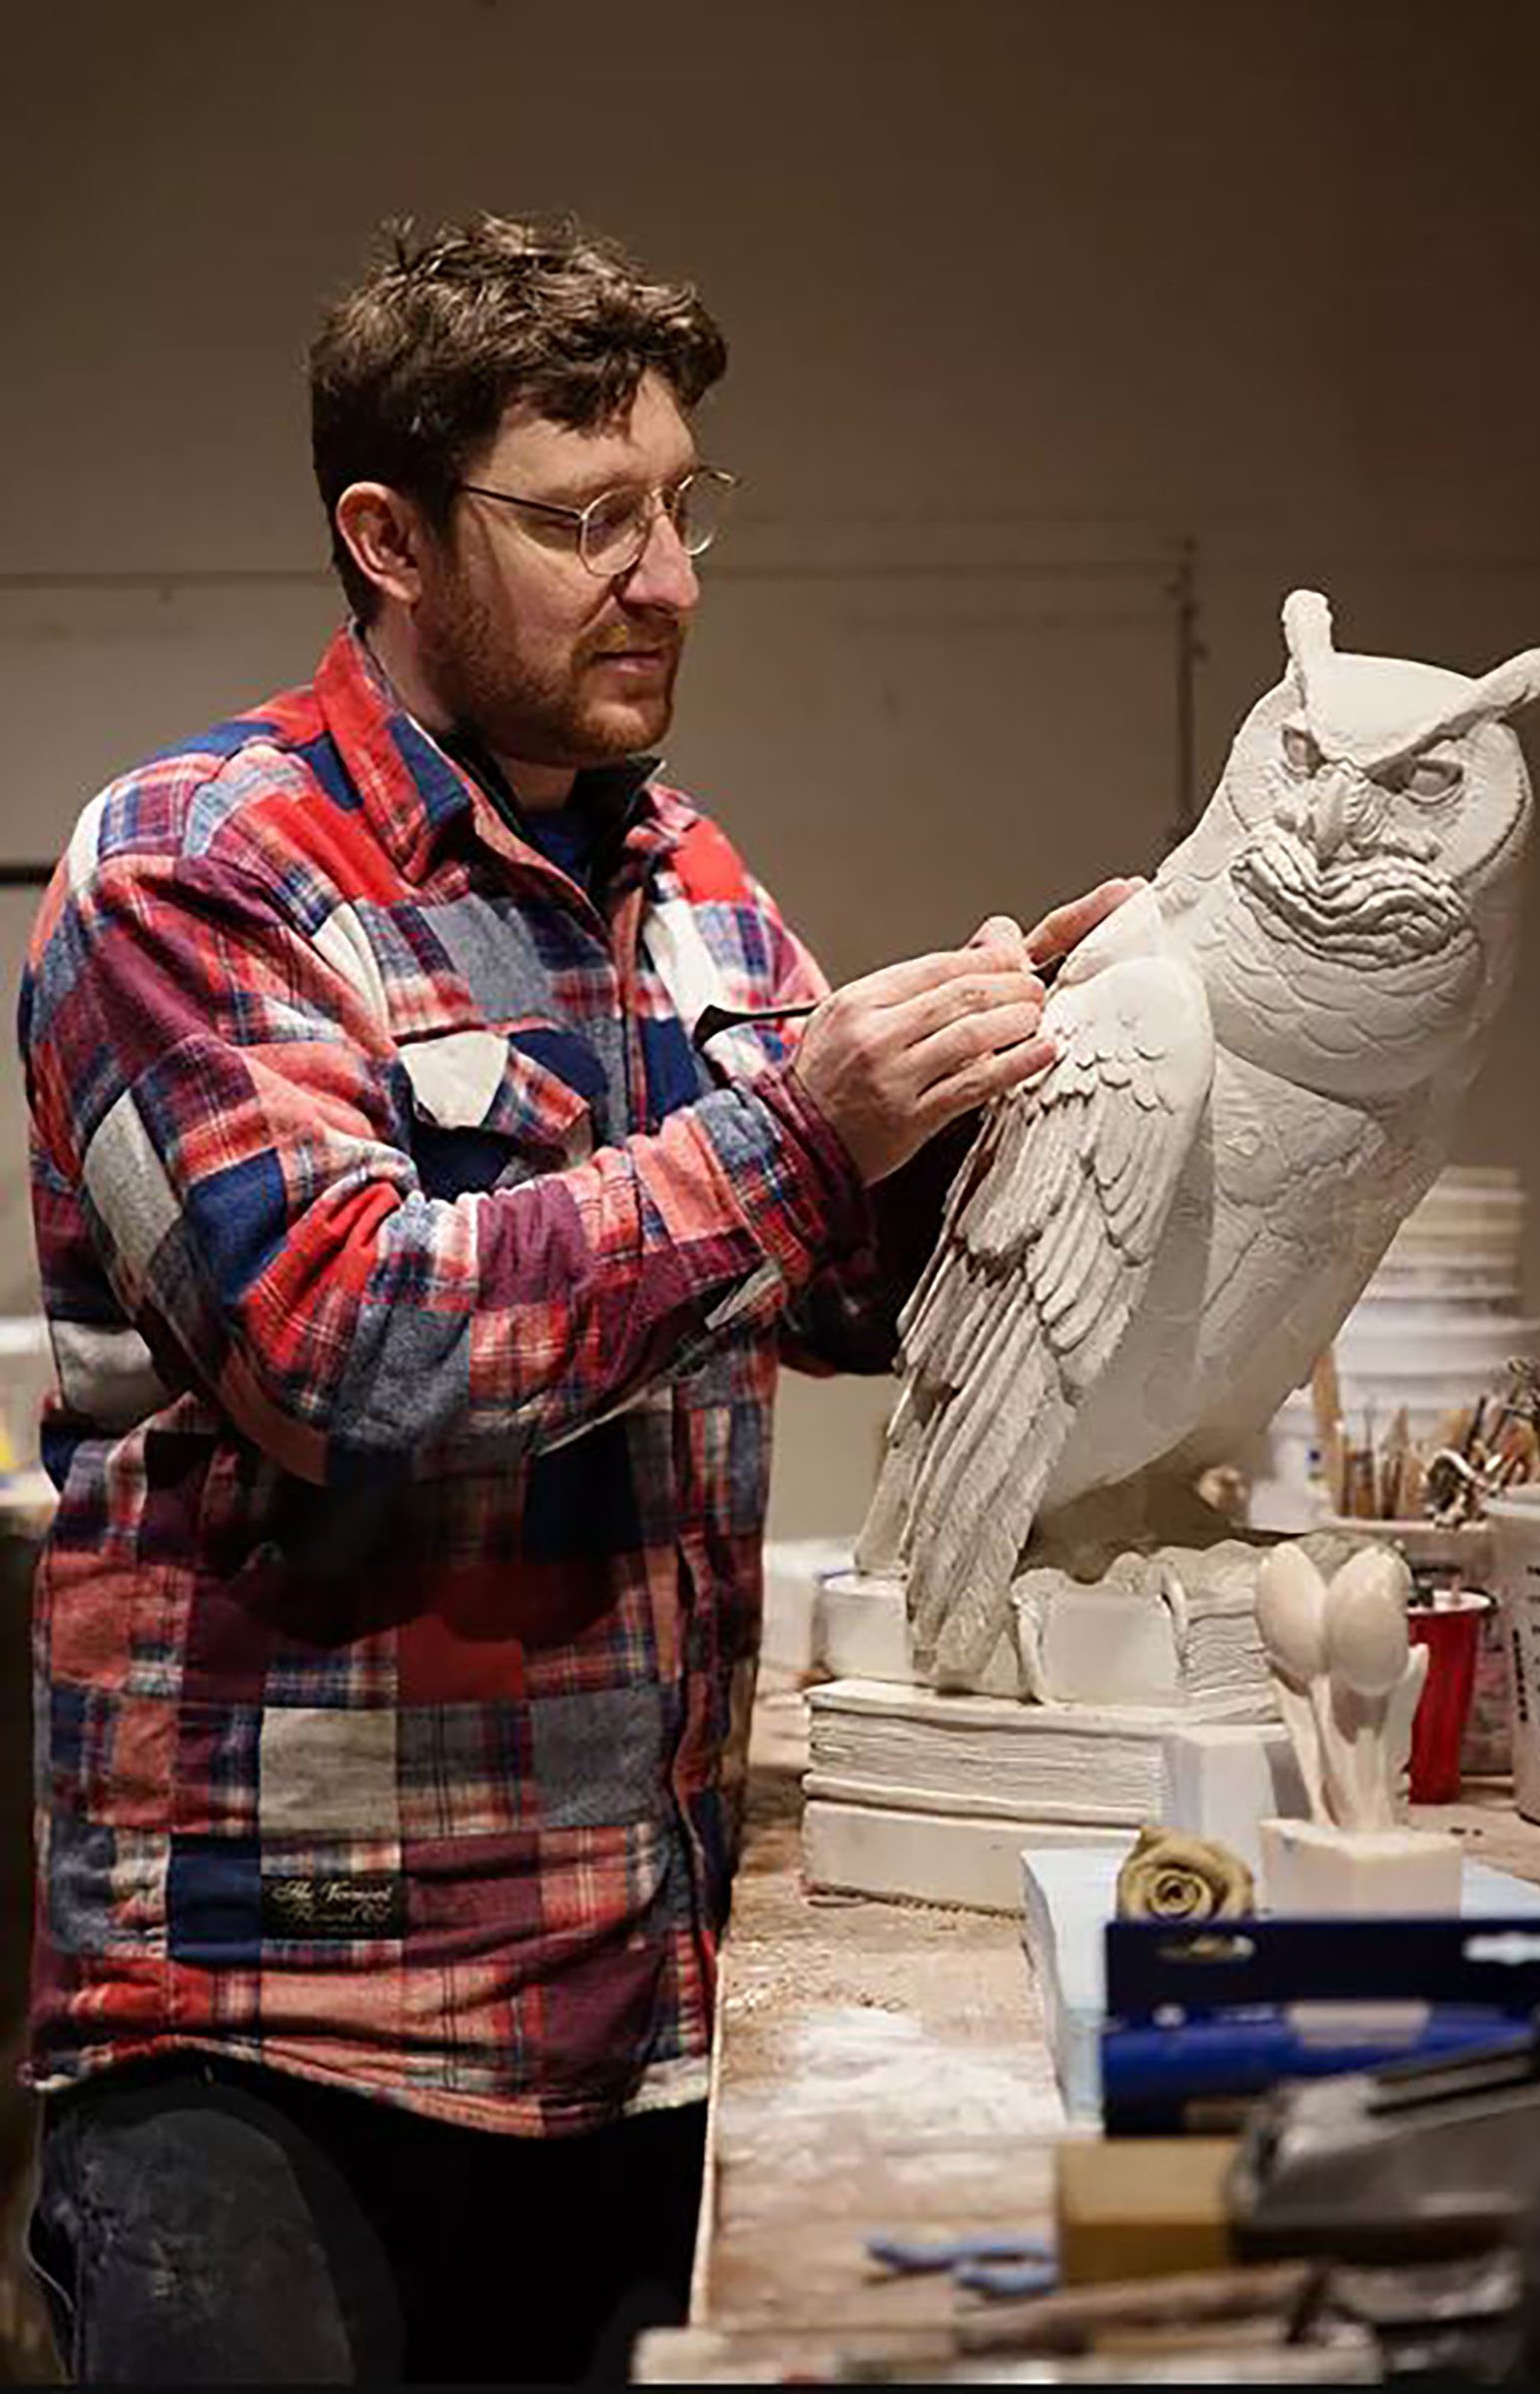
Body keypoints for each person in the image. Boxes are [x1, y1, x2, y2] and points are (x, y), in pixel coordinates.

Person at [17, 212, 1135, 2384]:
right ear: (390, 537)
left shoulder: (689, 884)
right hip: (274, 2030)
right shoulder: (191, 869)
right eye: (584, 519)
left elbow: (821, 1285)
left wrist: (1018, 1106)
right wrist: (810, 1130)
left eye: (681, 508)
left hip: (626, 2007)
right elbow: (352, 1345)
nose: (670, 577)